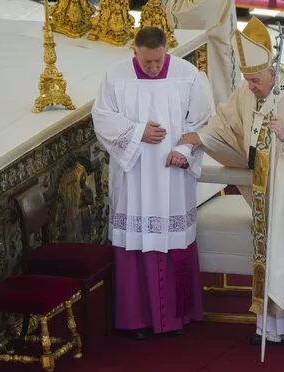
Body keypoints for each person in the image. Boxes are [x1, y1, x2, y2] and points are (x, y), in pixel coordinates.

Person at [178, 16, 284, 346]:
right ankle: (273, 327)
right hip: (264, 192)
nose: (250, 86)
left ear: (272, 71)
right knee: (269, 255)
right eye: (247, 79)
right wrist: (201, 137)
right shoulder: (246, 92)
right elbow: (224, 124)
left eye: (255, 80)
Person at [92, 27, 212, 340]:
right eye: (146, 62)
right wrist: (137, 133)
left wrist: (184, 150)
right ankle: (136, 320)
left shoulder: (188, 76)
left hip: (172, 177)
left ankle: (176, 316)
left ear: (166, 49)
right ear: (135, 51)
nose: (153, 68)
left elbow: (203, 122)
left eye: (158, 60)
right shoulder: (115, 76)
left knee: (171, 238)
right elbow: (102, 118)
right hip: (134, 177)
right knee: (135, 240)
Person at [165, 0, 240, 105]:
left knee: (214, 101)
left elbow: (198, 16)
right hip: (195, 46)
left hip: (211, 49)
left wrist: (169, 6)